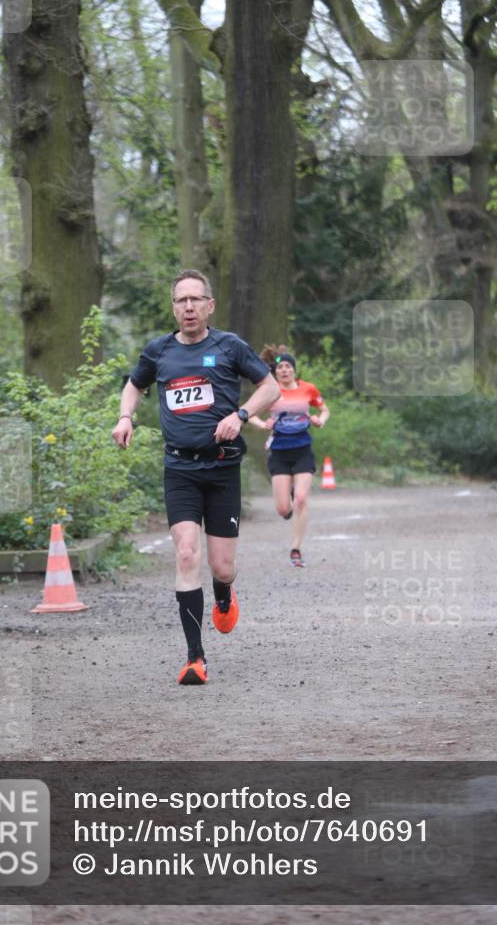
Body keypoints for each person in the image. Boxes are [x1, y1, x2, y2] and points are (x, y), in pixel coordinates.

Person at [111, 270, 279, 686]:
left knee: (222, 567)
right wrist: (125, 416)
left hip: (222, 468)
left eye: (195, 299)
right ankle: (195, 658)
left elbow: (271, 388)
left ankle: (224, 594)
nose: (188, 307)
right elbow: (133, 385)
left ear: (210, 305)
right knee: (186, 555)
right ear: (174, 307)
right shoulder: (159, 352)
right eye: (180, 300)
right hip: (180, 468)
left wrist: (240, 416)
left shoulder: (229, 346)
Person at [249, 349, 329, 568]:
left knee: (301, 499)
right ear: (275, 372)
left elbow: (324, 409)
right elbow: (250, 413)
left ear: (294, 370)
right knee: (283, 509)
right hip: (279, 452)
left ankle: (296, 549)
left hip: (302, 449)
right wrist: (262, 424)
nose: (284, 370)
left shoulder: (308, 389)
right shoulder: (270, 391)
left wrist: (319, 420)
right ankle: (290, 505)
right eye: (280, 367)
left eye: (288, 366)